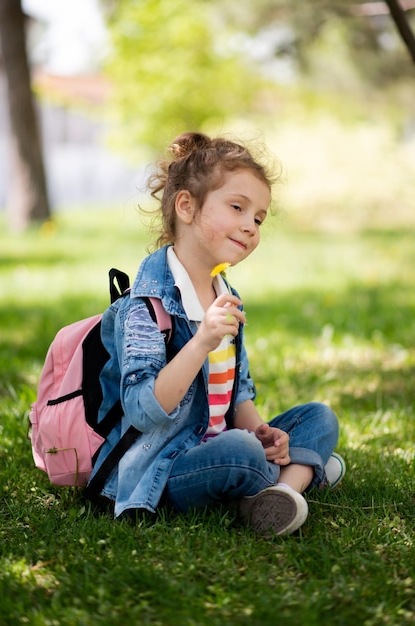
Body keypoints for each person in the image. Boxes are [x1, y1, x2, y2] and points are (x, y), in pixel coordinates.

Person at [89, 131, 345, 536]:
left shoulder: (226, 295)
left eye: (258, 218)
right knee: (240, 451)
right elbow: (142, 409)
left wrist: (265, 433)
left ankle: (277, 491)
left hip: (225, 442)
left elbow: (236, 392)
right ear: (187, 207)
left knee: (319, 417)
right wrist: (201, 342)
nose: (250, 227)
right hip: (166, 466)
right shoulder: (144, 307)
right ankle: (297, 476)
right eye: (238, 208)